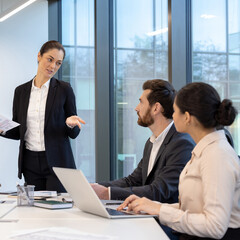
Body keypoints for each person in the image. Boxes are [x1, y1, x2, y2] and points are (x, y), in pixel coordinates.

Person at [118, 82, 240, 239]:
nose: (172, 116)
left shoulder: (217, 155)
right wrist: (151, 206)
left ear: (187, 117)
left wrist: (160, 210)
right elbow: (192, 209)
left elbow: (215, 226)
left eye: (175, 111)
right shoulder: (204, 151)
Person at [0, 40, 85, 192]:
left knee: (56, 212)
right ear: (39, 56)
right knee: (34, 211)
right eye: (50, 59)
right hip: (30, 163)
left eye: (58, 63)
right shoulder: (20, 92)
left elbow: (74, 133)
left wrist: (70, 124)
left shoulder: (64, 90)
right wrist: (1, 130)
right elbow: (19, 130)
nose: (53, 66)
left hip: (57, 163)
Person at [91, 79, 195, 203]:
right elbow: (133, 180)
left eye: (141, 102)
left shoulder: (181, 144)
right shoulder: (151, 142)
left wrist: (106, 194)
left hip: (163, 220)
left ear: (156, 108)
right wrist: (94, 187)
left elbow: (159, 191)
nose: (136, 108)